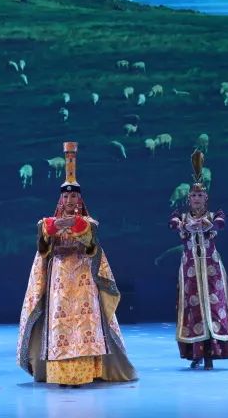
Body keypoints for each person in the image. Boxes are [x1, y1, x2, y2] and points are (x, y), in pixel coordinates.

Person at [17, 142, 136, 387]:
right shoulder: (49, 222)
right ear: (61, 198)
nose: (70, 199)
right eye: (66, 196)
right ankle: (59, 373)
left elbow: (90, 238)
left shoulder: (88, 222)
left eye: (73, 196)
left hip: (83, 279)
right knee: (60, 323)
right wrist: (54, 227)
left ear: (79, 198)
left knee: (84, 324)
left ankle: (85, 371)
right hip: (59, 278)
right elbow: (43, 243)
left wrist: (73, 226)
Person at [169, 149, 228, 369]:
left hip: (211, 268)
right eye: (193, 196)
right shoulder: (181, 216)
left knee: (214, 305)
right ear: (188, 198)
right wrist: (184, 225)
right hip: (190, 268)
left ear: (206, 198)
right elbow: (173, 223)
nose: (196, 199)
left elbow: (220, 222)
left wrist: (207, 225)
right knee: (193, 308)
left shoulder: (213, 215)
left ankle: (211, 353)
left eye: (200, 195)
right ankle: (196, 352)